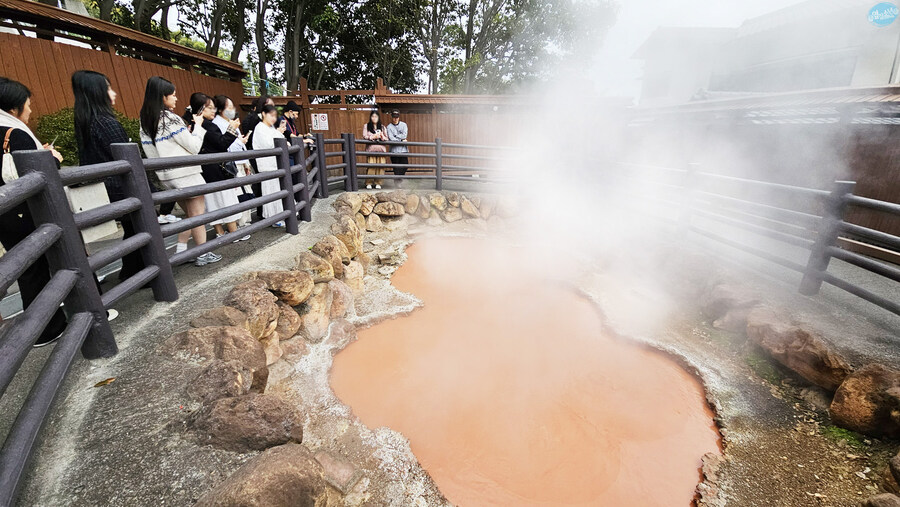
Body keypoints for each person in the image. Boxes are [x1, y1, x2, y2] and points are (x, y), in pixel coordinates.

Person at [0, 77, 68, 346]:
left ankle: (40, 329)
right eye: (28, 106)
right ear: (15, 108)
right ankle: (50, 325)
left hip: (5, 214)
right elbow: (37, 173)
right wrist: (52, 158)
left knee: (26, 267)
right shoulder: (14, 133)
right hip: (25, 210)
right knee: (45, 263)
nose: (30, 112)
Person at [72, 70, 146, 281]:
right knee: (139, 227)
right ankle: (137, 272)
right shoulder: (106, 123)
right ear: (98, 93)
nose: (113, 93)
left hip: (105, 187)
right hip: (121, 187)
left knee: (134, 229)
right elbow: (127, 160)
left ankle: (133, 270)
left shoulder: (86, 121)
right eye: (108, 88)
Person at [139, 76, 221, 266]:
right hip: (186, 172)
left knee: (192, 216)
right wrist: (198, 127)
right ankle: (202, 253)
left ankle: (183, 251)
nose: (176, 99)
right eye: (173, 95)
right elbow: (193, 147)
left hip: (166, 175)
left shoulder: (145, 120)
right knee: (198, 215)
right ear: (162, 97)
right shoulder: (170, 118)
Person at [185, 93, 250, 243]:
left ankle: (220, 231)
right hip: (217, 169)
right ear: (201, 109)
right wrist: (232, 130)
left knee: (213, 201)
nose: (213, 111)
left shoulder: (194, 124)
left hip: (206, 170)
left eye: (214, 108)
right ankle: (233, 232)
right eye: (210, 108)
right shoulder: (208, 125)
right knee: (226, 199)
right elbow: (221, 144)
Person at [212, 94, 253, 226]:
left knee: (245, 191)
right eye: (229, 107)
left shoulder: (228, 122)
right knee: (239, 194)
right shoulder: (217, 124)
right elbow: (225, 144)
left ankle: (244, 221)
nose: (232, 109)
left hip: (240, 161)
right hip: (231, 164)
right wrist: (239, 140)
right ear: (220, 110)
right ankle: (240, 223)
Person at [251, 104, 286, 227]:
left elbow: (281, 140)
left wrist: (278, 133)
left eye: (275, 116)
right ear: (264, 114)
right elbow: (268, 144)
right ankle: (273, 218)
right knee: (271, 192)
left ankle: (281, 215)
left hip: (275, 164)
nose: (273, 118)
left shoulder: (270, 129)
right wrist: (278, 134)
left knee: (278, 190)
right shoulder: (259, 128)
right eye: (271, 115)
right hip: (267, 166)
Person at [362, 110, 388, 189]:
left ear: (378, 118)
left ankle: (378, 183)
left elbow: (387, 138)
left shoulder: (382, 127)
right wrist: (372, 137)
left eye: (376, 116)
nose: (374, 118)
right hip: (371, 149)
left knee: (381, 166)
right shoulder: (366, 126)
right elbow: (364, 136)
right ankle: (369, 182)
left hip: (381, 150)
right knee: (371, 166)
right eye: (372, 116)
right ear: (370, 117)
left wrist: (382, 137)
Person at [385, 109, 409, 188]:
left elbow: (404, 135)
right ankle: (398, 183)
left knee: (405, 165)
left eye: (397, 117)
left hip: (403, 150)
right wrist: (401, 139)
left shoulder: (404, 125)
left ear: (399, 117)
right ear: (391, 117)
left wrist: (397, 137)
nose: (395, 119)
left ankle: (398, 180)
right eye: (394, 117)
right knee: (396, 168)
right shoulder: (388, 127)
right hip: (394, 151)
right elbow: (391, 138)